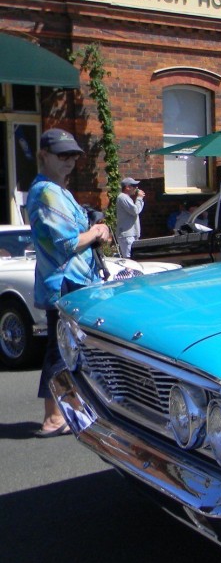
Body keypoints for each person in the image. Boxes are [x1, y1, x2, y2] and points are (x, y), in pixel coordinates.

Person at [26, 128, 111, 437]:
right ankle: (52, 417)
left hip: (71, 280)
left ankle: (66, 409)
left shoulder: (56, 190)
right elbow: (67, 243)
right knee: (60, 348)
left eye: (73, 155)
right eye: (63, 155)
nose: (70, 161)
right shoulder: (45, 191)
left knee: (69, 347)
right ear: (43, 156)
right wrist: (97, 232)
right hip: (64, 282)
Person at [115, 176, 144, 257]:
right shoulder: (123, 197)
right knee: (130, 259)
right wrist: (139, 198)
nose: (136, 188)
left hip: (131, 234)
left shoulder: (127, 198)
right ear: (127, 187)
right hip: (127, 235)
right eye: (134, 186)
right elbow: (135, 211)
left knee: (134, 258)